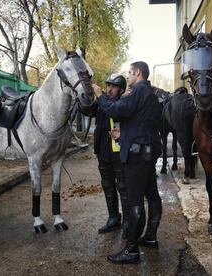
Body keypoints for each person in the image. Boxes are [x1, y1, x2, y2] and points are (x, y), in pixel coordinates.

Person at [92, 61, 163, 264]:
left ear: (138, 73)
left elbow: (116, 111)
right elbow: (144, 123)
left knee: (134, 201)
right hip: (148, 151)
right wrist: (124, 134)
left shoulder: (137, 91)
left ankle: (131, 250)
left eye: (130, 73)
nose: (129, 76)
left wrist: (100, 95)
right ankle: (150, 236)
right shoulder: (151, 94)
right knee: (152, 194)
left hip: (137, 155)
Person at [94, 73, 129, 239]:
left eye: (113, 87)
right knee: (108, 186)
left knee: (123, 187)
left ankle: (128, 222)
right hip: (103, 152)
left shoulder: (122, 103)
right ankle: (114, 218)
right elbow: (87, 109)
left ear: (121, 90)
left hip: (118, 153)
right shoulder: (102, 102)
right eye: (108, 86)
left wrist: (100, 96)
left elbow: (114, 112)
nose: (109, 89)